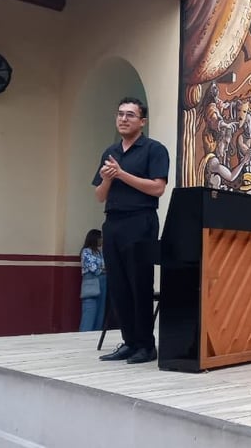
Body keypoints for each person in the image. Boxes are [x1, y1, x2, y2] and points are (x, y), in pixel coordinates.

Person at [92, 97, 170, 364]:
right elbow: (100, 196)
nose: (124, 119)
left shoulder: (153, 149)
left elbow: (158, 188)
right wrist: (106, 178)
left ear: (142, 121)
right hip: (112, 222)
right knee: (118, 285)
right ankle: (129, 341)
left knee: (139, 283)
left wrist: (121, 174)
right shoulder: (109, 153)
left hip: (140, 221)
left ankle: (146, 346)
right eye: (120, 114)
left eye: (130, 115)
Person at [79, 229, 107, 332]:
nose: (102, 240)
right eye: (100, 238)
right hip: (92, 283)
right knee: (90, 311)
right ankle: (84, 335)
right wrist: (103, 268)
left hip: (103, 283)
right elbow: (94, 268)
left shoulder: (100, 252)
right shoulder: (86, 251)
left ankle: (96, 334)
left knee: (100, 313)